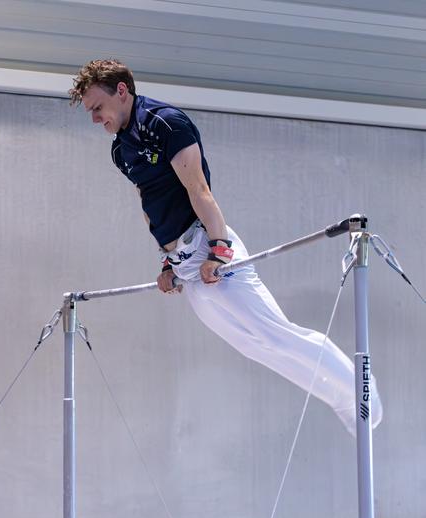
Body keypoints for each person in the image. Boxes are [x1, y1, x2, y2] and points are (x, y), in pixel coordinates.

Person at [69, 59, 382, 436]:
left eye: (97, 108)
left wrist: (219, 248)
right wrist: (167, 262)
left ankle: (360, 393)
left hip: (208, 245)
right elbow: (148, 202)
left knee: (275, 334)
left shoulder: (166, 123)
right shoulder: (121, 149)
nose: (95, 119)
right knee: (255, 347)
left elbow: (198, 190)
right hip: (183, 260)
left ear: (122, 91)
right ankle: (340, 399)